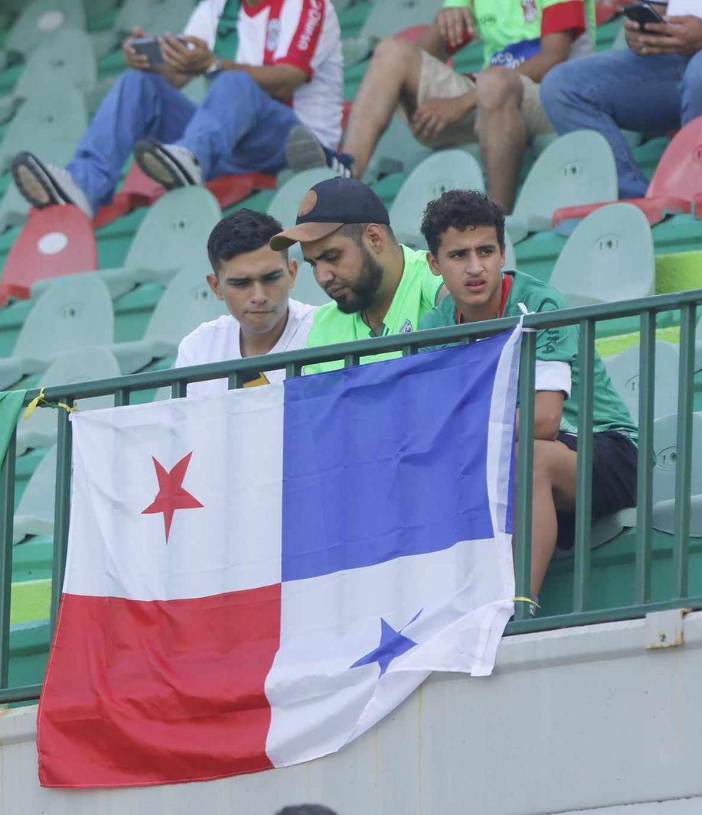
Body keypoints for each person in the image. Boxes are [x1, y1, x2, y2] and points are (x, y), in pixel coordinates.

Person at [418, 190, 637, 598]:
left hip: (603, 449)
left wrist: (461, 425)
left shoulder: (539, 304)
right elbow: (429, 426)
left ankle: (517, 608)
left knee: (527, 456)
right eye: (458, 255)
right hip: (504, 457)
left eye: (486, 251)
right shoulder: (435, 326)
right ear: (434, 264)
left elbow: (544, 421)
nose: (475, 267)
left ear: (503, 253)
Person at [10, 0, 344, 219]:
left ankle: (191, 158)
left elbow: (289, 78)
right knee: (138, 83)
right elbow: (179, 71)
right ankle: (85, 185)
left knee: (234, 81)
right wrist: (149, 59)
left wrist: (213, 65)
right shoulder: (219, 7)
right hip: (228, 143)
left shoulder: (307, 4)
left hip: (297, 143)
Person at [286, 0, 590, 211]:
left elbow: (554, 57)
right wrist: (446, 17)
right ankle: (347, 172)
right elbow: (427, 55)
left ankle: (498, 219)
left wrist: (461, 102)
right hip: (490, 97)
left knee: (493, 82)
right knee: (393, 53)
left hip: (554, 97)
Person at [541, 0, 702, 199]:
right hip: (684, 53)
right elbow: (657, 9)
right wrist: (644, 34)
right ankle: (640, 208)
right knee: (564, 86)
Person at [269, 177, 444, 374]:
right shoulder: (325, 326)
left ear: (374, 238)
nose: (322, 277)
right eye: (313, 264)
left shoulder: (436, 278)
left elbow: (457, 303)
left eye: (332, 256)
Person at [176, 210, 317, 396]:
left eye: (271, 278)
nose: (259, 296)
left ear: (292, 273)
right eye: (240, 283)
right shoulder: (197, 348)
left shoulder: (324, 331)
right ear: (216, 287)